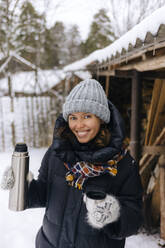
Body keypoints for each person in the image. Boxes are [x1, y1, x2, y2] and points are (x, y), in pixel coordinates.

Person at [2, 79, 143, 248]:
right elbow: (44, 194)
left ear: (101, 119)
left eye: (87, 116)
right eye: (73, 117)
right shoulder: (57, 153)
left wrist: (113, 215)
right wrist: (21, 186)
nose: (79, 124)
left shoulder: (124, 164)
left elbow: (135, 219)